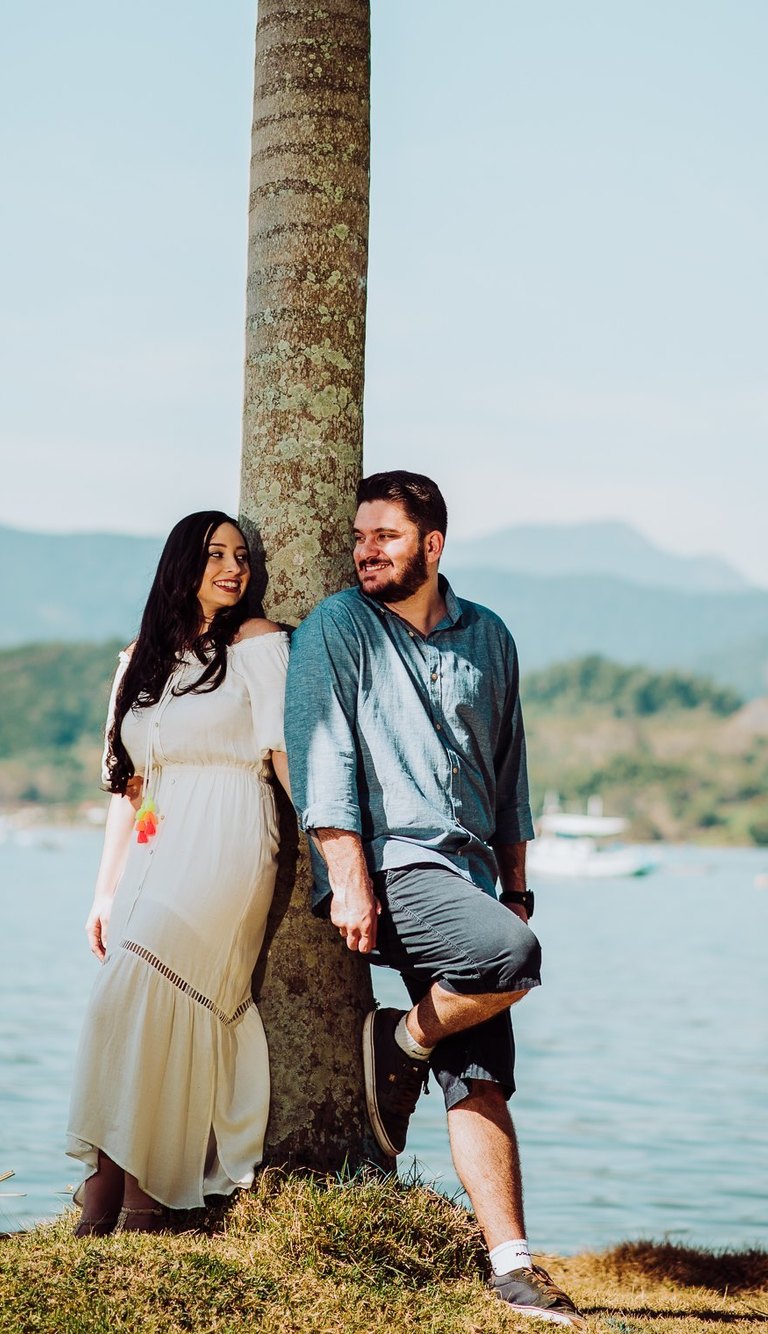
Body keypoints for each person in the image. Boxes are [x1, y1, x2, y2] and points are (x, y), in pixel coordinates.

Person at [284, 470, 587, 1328]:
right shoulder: (337, 627)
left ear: (433, 544)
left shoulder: (488, 636)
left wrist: (518, 885)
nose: (365, 551)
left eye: (383, 536)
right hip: (392, 871)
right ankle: (403, 1036)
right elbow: (323, 758)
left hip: (475, 878)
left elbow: (509, 772)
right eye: (358, 537)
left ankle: (513, 1267)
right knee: (511, 959)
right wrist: (347, 877)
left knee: (482, 1077)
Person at [66, 510, 291, 1232]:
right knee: (118, 1010)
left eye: (242, 557)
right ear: (180, 565)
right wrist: (104, 889)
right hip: (153, 854)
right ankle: (104, 1201)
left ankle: (145, 1200)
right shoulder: (139, 658)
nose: (233, 568)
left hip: (228, 840)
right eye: (215, 554)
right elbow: (126, 788)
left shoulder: (257, 644)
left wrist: (332, 848)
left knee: (151, 998)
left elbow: (285, 752)